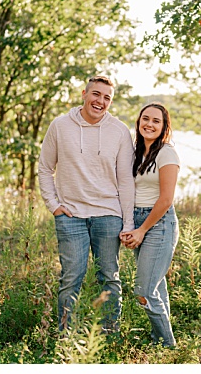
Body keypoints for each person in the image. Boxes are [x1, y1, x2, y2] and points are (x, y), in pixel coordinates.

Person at [38, 76, 136, 335]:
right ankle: (65, 336)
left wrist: (128, 222)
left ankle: (110, 333)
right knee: (71, 279)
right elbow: (45, 168)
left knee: (110, 278)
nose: (100, 101)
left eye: (107, 98)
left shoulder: (119, 131)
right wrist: (53, 205)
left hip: (108, 215)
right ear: (84, 94)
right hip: (71, 216)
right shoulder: (59, 126)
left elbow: (126, 179)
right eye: (96, 94)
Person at [120, 103, 180, 348]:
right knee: (157, 287)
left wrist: (142, 229)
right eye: (146, 118)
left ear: (164, 127)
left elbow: (166, 199)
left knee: (144, 291)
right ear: (138, 122)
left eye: (157, 121)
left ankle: (168, 345)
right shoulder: (135, 152)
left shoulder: (167, 153)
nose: (150, 124)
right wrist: (130, 225)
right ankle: (160, 340)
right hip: (137, 221)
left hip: (159, 224)